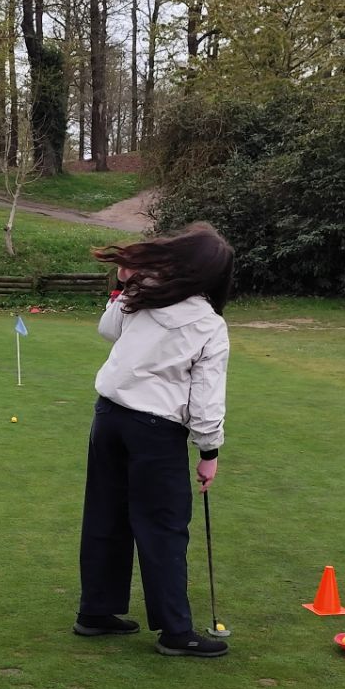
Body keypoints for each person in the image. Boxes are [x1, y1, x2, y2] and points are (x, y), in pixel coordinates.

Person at [74, 222, 234, 658]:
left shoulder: (145, 295)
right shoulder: (207, 323)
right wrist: (209, 449)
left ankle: (97, 610)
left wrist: (124, 286)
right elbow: (206, 397)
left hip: (109, 418)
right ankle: (175, 631)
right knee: (163, 526)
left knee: (106, 514)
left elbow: (108, 329)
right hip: (155, 430)